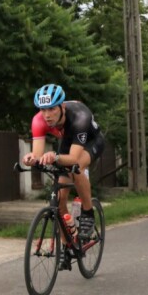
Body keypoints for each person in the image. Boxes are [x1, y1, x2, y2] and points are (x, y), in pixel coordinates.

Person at [22, 84, 105, 241]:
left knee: (75, 167)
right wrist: (31, 159)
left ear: (62, 106)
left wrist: (55, 157)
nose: (47, 115)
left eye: (52, 108)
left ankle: (88, 214)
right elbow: (38, 155)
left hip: (92, 141)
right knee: (59, 200)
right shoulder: (38, 120)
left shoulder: (80, 116)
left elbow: (73, 158)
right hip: (67, 141)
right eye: (43, 109)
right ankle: (67, 245)